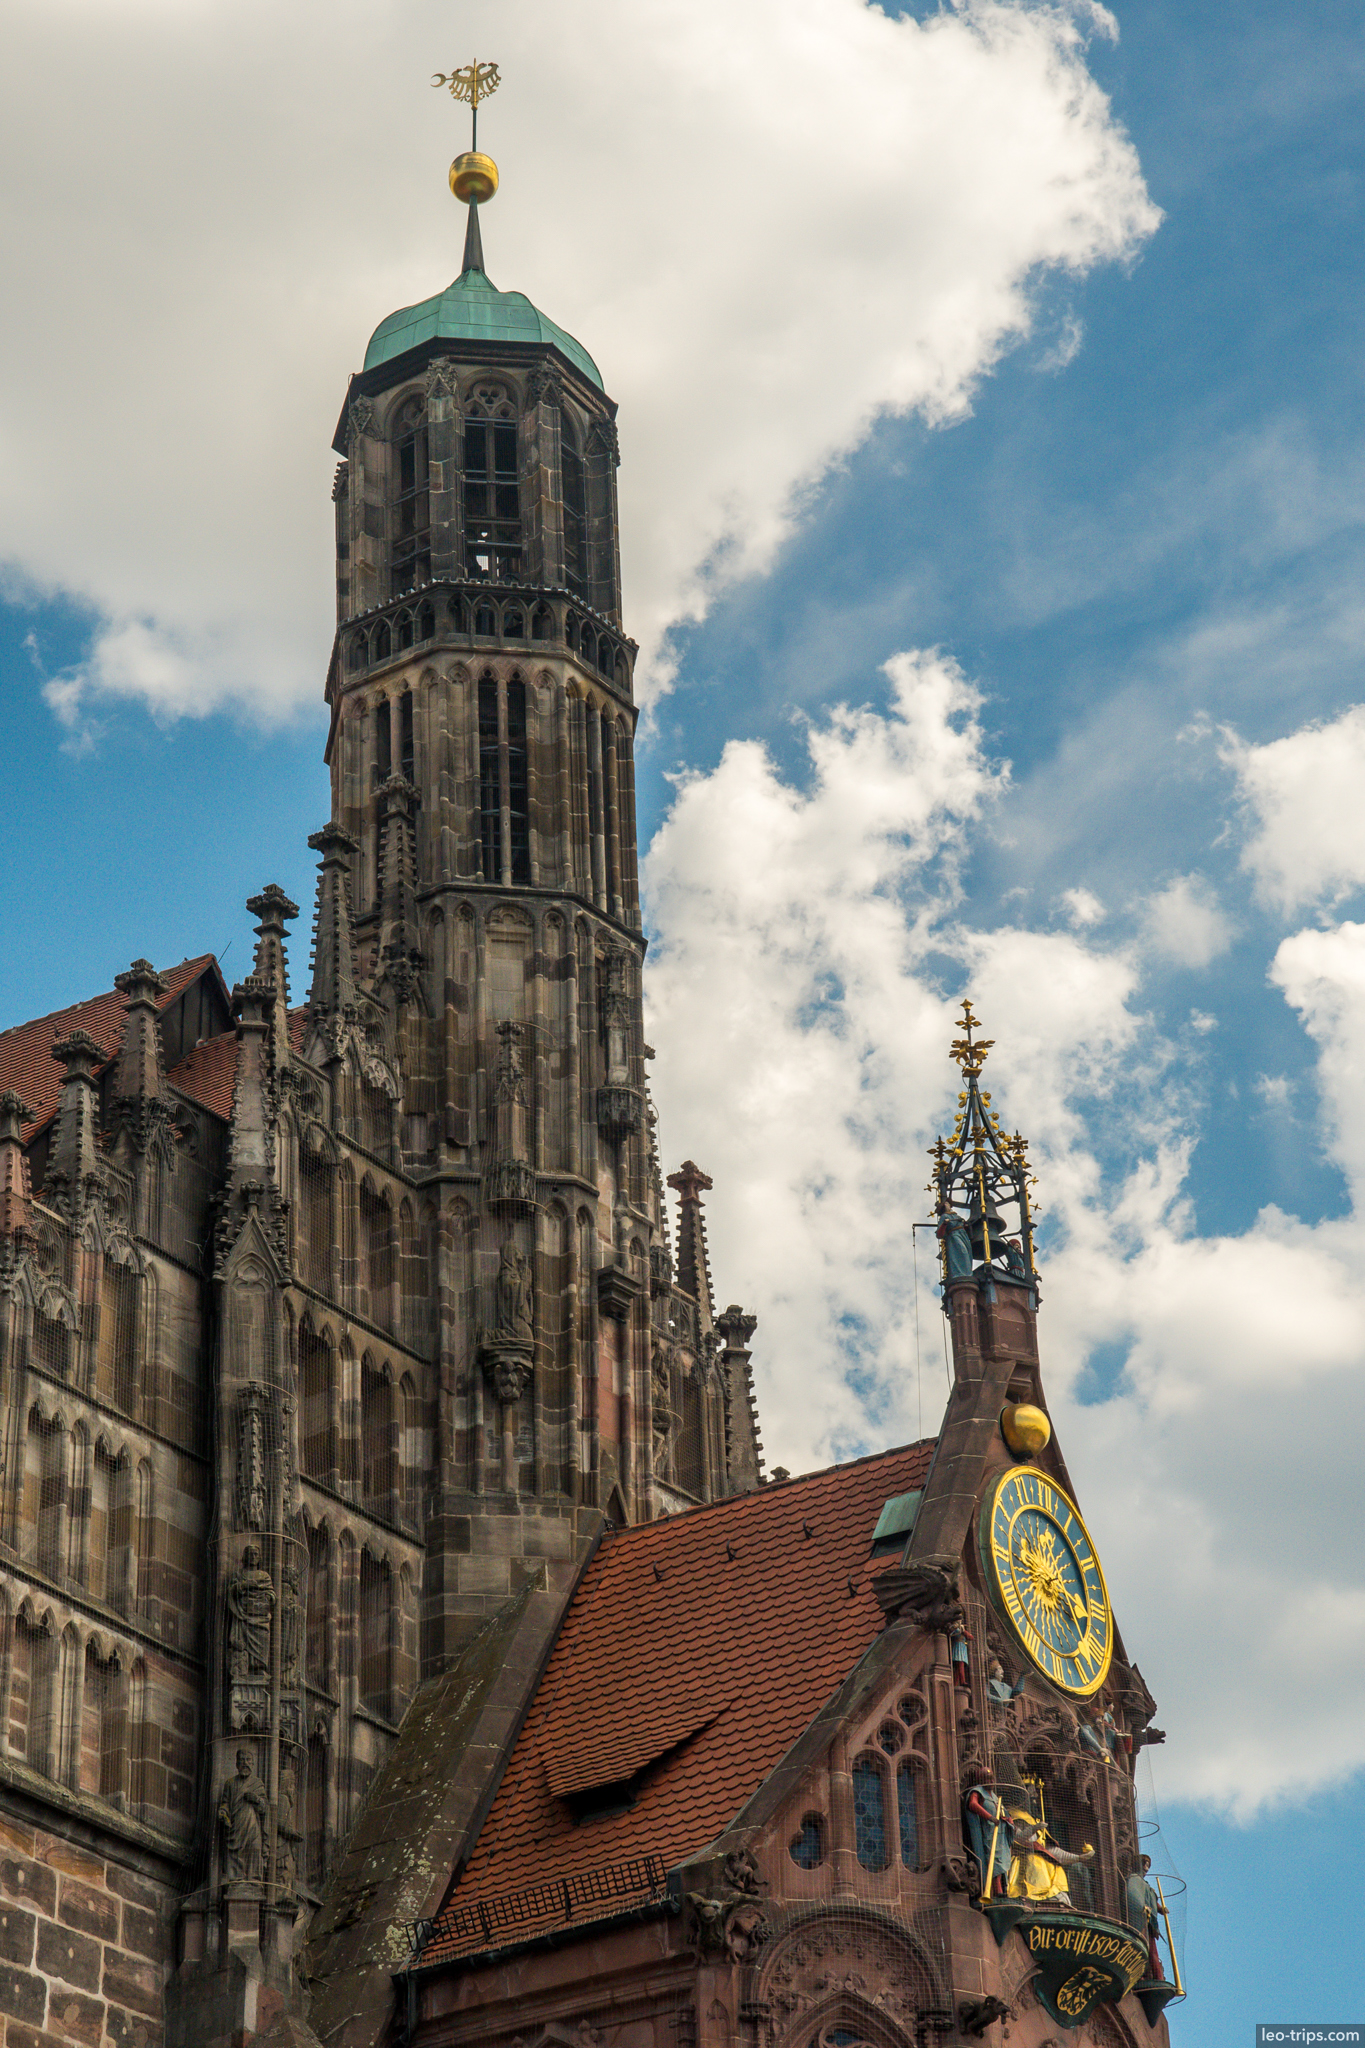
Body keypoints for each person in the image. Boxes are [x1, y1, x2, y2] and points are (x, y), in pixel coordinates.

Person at [1005, 1806, 1095, 1907]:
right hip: (1023, 1860)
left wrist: (1079, 1858)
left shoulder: (1035, 1820)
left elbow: (1051, 1851)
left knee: (1055, 1867)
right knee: (1035, 1863)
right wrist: (1033, 1829)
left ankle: (1056, 1897)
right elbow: (1016, 1839)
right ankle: (1035, 1898)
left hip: (1043, 1864)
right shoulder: (1013, 1815)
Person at [218, 1748, 269, 1883]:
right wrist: (223, 1812)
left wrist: (256, 1799)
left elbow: (265, 1809)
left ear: (253, 1763)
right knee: (235, 1855)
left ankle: (254, 1881)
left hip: (252, 1826)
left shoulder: (257, 1783)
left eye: (248, 1760)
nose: (244, 1763)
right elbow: (225, 1803)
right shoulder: (230, 1783)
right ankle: (235, 1881)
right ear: (236, 1764)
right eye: (241, 1760)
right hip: (235, 1827)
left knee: (254, 1849)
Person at [226, 1546, 274, 1678]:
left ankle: (258, 1666)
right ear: (244, 1557)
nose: (253, 1557)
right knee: (242, 1642)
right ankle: (243, 1668)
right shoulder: (239, 1574)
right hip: (243, 1614)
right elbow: (232, 1590)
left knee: (263, 1639)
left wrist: (268, 1598)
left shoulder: (264, 1576)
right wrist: (244, 1585)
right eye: (250, 1554)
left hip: (260, 1616)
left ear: (259, 1558)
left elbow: (271, 1593)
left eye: (255, 1554)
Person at [964, 1782, 1011, 1895]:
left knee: (1001, 1862)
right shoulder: (977, 1792)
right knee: (993, 1861)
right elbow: (973, 1805)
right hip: (988, 1832)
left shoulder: (994, 1796)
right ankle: (996, 1891)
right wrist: (990, 1817)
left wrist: (1008, 1820)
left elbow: (1003, 1812)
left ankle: (1001, 1890)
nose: (991, 1783)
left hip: (1000, 1832)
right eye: (988, 1779)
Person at [1126, 1856, 1166, 1981]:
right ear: (1138, 1865)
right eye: (1144, 1864)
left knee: (1152, 1952)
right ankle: (1142, 1975)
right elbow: (1133, 1895)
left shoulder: (1145, 1884)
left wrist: (1160, 1909)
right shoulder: (1133, 1880)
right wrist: (1142, 1907)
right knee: (1144, 1949)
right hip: (1141, 1920)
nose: (1146, 1868)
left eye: (1148, 1865)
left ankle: (1157, 1977)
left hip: (1150, 1923)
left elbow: (1151, 1898)